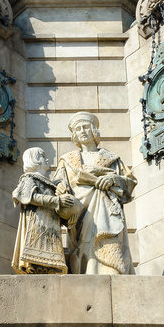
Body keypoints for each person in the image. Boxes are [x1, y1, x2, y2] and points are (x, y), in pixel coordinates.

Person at [54, 112, 137, 274]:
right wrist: (60, 187)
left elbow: (130, 182)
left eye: (85, 127)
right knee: (83, 249)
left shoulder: (112, 158)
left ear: (93, 130)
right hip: (80, 214)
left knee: (108, 246)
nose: (82, 131)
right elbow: (58, 182)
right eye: (78, 129)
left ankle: (110, 270)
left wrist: (113, 179)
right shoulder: (67, 160)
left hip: (107, 213)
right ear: (74, 135)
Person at [12, 147, 78, 274]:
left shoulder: (52, 185)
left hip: (51, 227)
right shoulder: (29, 178)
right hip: (36, 223)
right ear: (34, 160)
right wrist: (57, 201)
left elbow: (57, 211)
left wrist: (68, 219)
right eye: (42, 156)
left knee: (51, 261)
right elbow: (29, 197)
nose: (47, 159)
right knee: (33, 258)